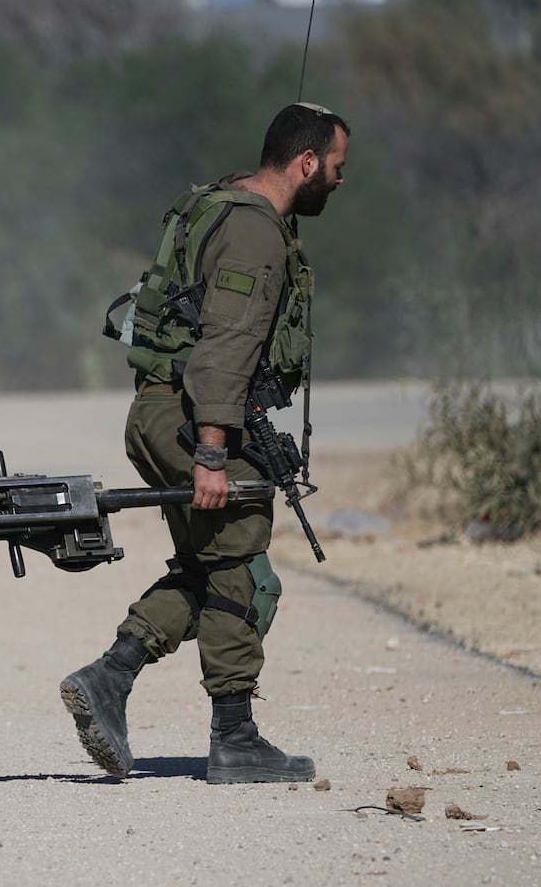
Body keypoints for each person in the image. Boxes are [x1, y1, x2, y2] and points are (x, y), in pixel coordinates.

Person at [59, 102, 350, 784]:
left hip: (169, 410)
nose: (340, 182)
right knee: (244, 571)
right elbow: (224, 349)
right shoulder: (255, 235)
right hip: (191, 417)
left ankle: (110, 677)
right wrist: (213, 453)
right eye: (336, 168)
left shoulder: (221, 204)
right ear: (305, 162)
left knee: (208, 564)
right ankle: (235, 736)